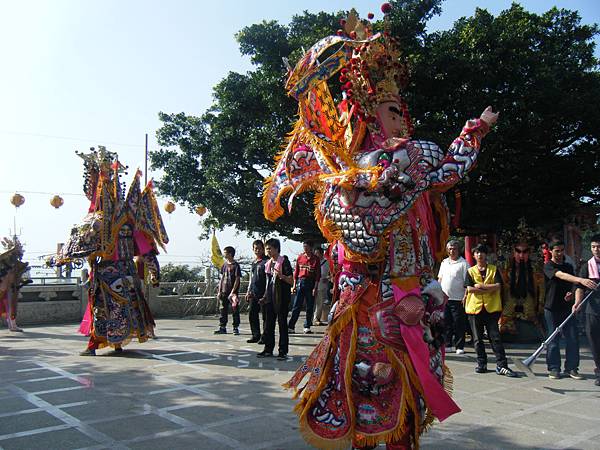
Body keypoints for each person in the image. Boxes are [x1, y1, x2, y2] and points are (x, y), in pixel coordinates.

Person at [262, 10, 498, 448]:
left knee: (409, 397)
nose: (402, 121)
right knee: (369, 385)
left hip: (416, 297)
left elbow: (447, 170)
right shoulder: (349, 179)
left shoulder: (416, 161)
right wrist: (395, 186)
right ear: (371, 117)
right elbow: (359, 241)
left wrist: (474, 130)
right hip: (372, 301)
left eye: (403, 112)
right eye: (393, 112)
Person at [57, 147, 168, 356]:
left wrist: (63, 259)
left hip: (114, 274)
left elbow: (145, 249)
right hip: (118, 274)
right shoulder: (102, 222)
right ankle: (112, 343)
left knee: (104, 310)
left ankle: (99, 345)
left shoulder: (112, 222)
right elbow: (145, 251)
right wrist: (154, 271)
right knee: (109, 310)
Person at [543, 239, 595, 379]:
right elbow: (561, 275)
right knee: (553, 339)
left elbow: (572, 285)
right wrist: (580, 280)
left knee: (573, 338)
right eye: (556, 251)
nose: (560, 253)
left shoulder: (568, 266)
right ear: (550, 251)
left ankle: (571, 368)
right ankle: (554, 368)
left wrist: (571, 294)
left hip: (568, 308)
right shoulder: (548, 266)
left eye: (561, 250)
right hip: (551, 308)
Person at [464, 244, 517, 377]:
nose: (480, 255)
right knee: (477, 339)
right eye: (477, 253)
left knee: (495, 337)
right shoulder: (470, 271)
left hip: (491, 308)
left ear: (486, 255)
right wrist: (488, 288)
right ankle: (482, 363)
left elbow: (498, 286)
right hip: (475, 308)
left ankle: (502, 365)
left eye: (482, 252)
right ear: (474, 256)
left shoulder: (494, 269)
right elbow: (469, 289)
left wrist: (481, 286)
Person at [258, 238, 293, 360]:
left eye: (269, 248)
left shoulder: (284, 261)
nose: (267, 251)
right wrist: (264, 296)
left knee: (282, 324)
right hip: (269, 298)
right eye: (266, 248)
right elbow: (267, 283)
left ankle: (283, 351)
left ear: (276, 249)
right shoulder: (267, 264)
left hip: (282, 298)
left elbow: (291, 280)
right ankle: (268, 349)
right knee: (268, 324)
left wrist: (281, 276)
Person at [574, 235, 600, 386]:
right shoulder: (586, 266)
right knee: (595, 344)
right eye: (594, 247)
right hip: (592, 310)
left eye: (599, 246)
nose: (596, 250)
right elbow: (580, 286)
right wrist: (577, 302)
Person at [438, 240, 469, 354]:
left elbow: (467, 282)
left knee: (458, 323)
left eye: (454, 249)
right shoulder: (444, 262)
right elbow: (440, 279)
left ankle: (459, 346)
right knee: (446, 322)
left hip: (458, 298)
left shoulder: (464, 263)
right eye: (450, 249)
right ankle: (448, 344)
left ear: (458, 250)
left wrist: (465, 296)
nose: (452, 251)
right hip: (445, 298)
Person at [288, 240, 320, 334]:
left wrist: (315, 287)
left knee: (310, 306)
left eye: (307, 246)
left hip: (310, 283)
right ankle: (291, 326)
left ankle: (307, 326)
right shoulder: (300, 257)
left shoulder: (315, 259)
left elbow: (318, 275)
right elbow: (296, 273)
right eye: (304, 246)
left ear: (311, 247)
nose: (305, 248)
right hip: (300, 283)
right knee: (296, 305)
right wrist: (294, 285)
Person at [214, 246, 242, 335]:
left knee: (235, 310)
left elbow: (237, 279)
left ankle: (235, 327)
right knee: (223, 310)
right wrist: (219, 290)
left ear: (230, 253)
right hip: (223, 291)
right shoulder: (224, 265)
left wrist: (233, 291)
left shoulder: (236, 265)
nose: (224, 254)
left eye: (225, 252)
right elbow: (222, 278)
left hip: (233, 293)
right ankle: (222, 327)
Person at [245, 240, 268, 343]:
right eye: (255, 248)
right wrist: (248, 291)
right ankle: (255, 335)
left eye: (259, 248)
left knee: (265, 317)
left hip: (264, 293)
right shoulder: (254, 263)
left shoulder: (267, 261)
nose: (257, 250)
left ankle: (265, 336)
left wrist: (267, 293)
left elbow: (268, 278)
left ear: (263, 249)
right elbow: (251, 278)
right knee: (252, 314)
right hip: (254, 292)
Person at [313, 246, 330, 326]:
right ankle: (313, 318)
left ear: (322, 254)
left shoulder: (327, 262)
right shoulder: (313, 262)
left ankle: (317, 318)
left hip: (322, 285)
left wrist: (328, 278)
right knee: (314, 302)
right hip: (314, 285)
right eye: (315, 253)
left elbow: (331, 274)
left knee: (320, 302)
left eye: (317, 254)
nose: (316, 255)